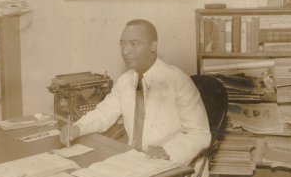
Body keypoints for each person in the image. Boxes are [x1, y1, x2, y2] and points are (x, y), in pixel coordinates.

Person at [60, 19, 211, 165]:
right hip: (134, 161)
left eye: (134, 44)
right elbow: (103, 113)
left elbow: (200, 133)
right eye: (122, 44)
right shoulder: (125, 81)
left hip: (171, 164)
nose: (125, 51)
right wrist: (77, 128)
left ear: (153, 46)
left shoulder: (178, 80)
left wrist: (169, 151)